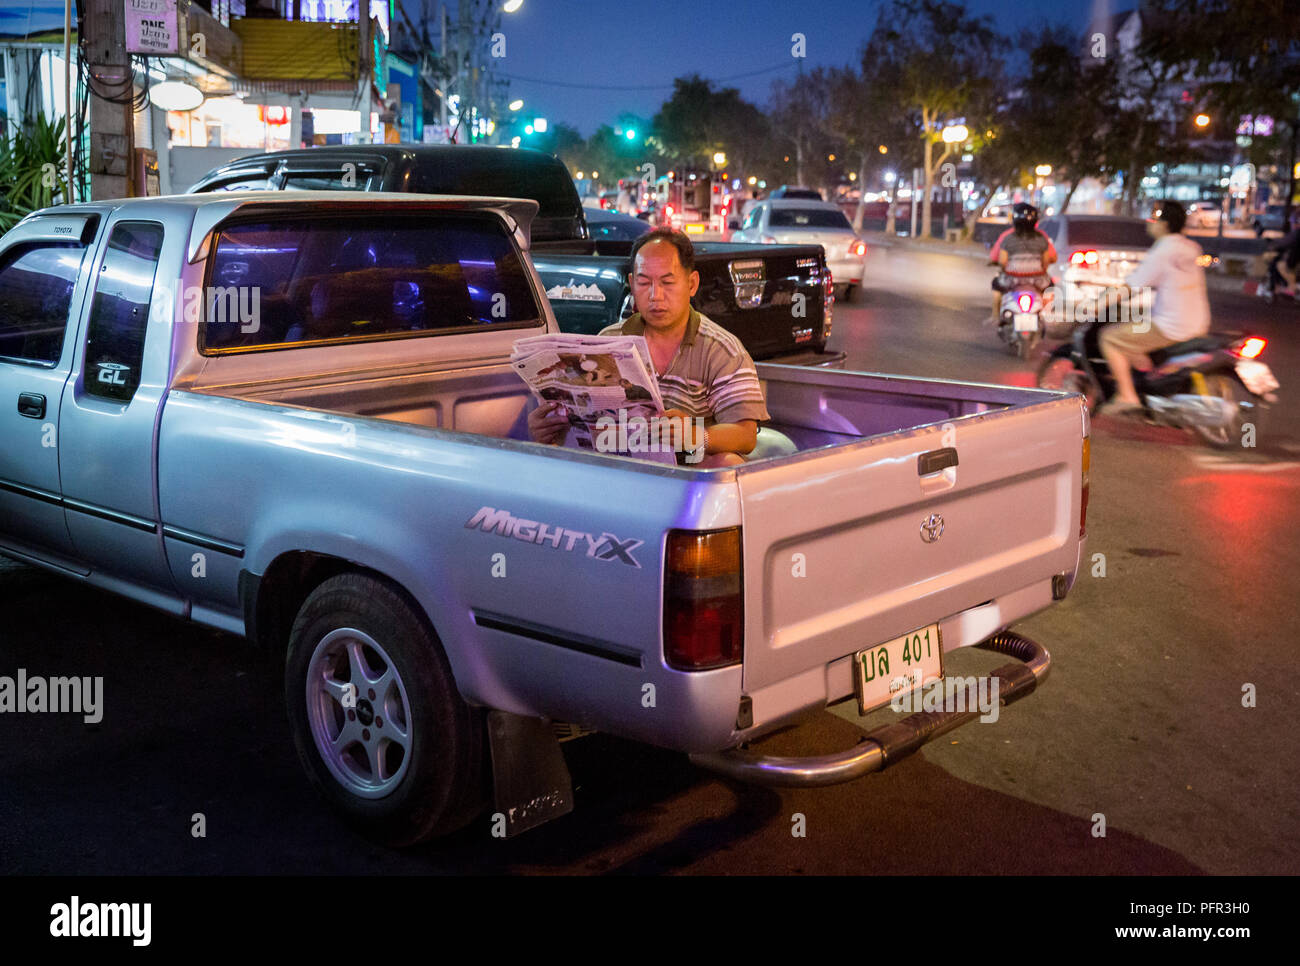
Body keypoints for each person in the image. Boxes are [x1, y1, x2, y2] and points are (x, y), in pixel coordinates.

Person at [528, 228, 770, 467]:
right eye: (644, 283)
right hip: (621, 473)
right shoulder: (609, 341)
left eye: (667, 282)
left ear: (692, 284)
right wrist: (548, 429)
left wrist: (698, 436)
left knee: (728, 462)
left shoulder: (722, 349)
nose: (656, 295)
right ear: (632, 284)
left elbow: (745, 435)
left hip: (688, 480)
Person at [1095, 200, 1211, 417]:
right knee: (1134, 330)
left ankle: (1127, 397)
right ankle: (1149, 381)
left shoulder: (1163, 251)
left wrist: (1098, 304)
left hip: (1169, 327)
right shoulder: (1192, 248)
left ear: (1164, 224)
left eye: (1154, 218)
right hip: (1198, 323)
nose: (1150, 222)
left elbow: (1132, 286)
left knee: (1109, 337)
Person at [988, 203, 1057, 322]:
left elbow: (1002, 261)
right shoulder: (1041, 238)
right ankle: (1048, 316)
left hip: (1012, 279)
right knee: (1050, 289)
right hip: (1038, 280)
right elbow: (1047, 260)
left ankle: (995, 317)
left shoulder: (1007, 237)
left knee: (996, 285)